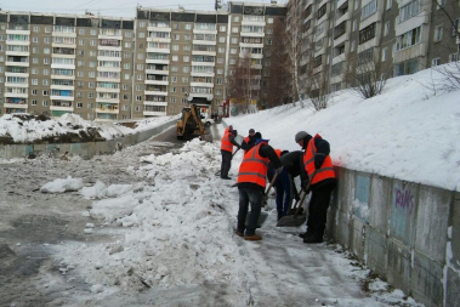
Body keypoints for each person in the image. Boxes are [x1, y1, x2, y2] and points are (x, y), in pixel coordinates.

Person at [236, 138, 283, 241]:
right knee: (255, 208)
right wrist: (278, 165)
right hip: (253, 182)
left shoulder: (250, 152)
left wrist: (262, 192)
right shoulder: (262, 147)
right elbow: (269, 150)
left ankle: (240, 230)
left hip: (242, 182)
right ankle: (250, 232)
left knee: (243, 207)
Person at [295, 131, 336, 244]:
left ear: (303, 138)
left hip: (325, 180)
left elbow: (325, 145)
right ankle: (310, 231)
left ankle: (317, 235)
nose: (299, 145)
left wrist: (320, 156)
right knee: (312, 208)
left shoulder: (315, 142)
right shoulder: (306, 152)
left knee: (319, 209)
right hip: (316, 183)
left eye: (299, 142)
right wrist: (306, 184)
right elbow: (308, 171)